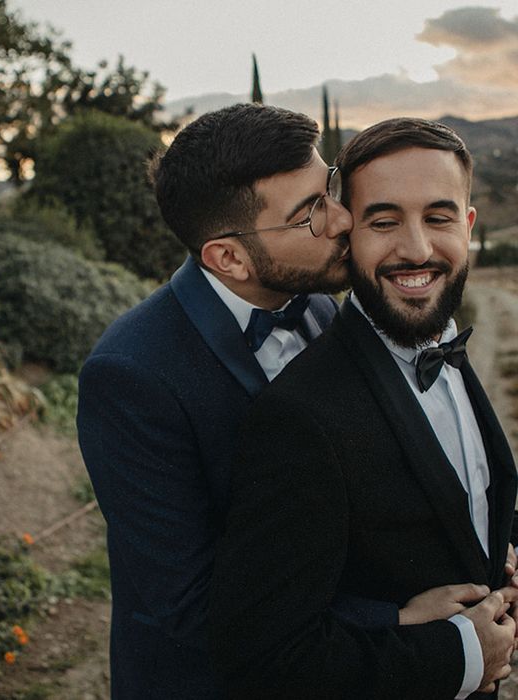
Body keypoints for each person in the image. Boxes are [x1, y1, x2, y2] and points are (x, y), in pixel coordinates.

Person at [76, 105, 501, 699]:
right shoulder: (132, 377)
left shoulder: (326, 301)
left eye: (327, 190)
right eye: (309, 216)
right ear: (229, 257)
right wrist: (395, 620)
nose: (341, 219)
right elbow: (196, 607)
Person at [209, 117, 518, 699]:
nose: (417, 250)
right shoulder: (301, 418)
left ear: (468, 225)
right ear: (346, 233)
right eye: (383, 221)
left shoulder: (441, 338)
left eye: (439, 217)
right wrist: (461, 656)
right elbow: (266, 659)